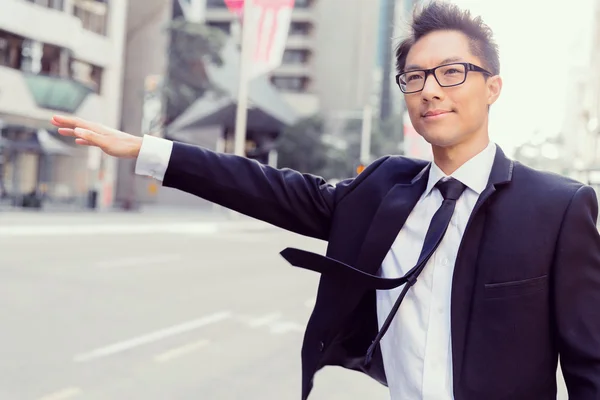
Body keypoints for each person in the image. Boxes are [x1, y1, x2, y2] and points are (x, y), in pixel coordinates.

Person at [51, 3, 600, 400]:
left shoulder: (558, 207)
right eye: (414, 77)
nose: (430, 89)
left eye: (452, 72)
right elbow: (268, 187)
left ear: (493, 87)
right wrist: (149, 150)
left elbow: (589, 366)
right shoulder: (387, 188)